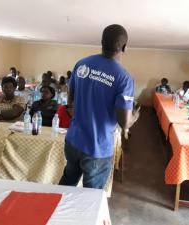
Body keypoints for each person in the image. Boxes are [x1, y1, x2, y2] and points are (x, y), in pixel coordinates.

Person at [59, 24, 140, 189]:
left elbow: (70, 99)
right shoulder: (124, 78)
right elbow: (124, 122)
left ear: (102, 42)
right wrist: (135, 115)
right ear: (124, 47)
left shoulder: (81, 64)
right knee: (92, 197)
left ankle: (58, 212)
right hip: (97, 147)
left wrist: (84, 112)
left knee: (67, 185)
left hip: (73, 140)